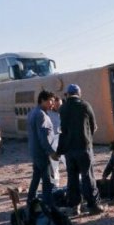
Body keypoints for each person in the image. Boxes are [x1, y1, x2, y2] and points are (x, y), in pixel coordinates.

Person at [57, 84, 104, 216]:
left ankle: (74, 206)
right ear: (79, 93)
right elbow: (93, 126)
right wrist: (88, 138)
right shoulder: (85, 105)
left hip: (68, 150)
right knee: (88, 176)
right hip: (83, 147)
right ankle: (93, 205)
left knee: (72, 178)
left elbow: (62, 129)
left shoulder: (63, 108)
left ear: (68, 94)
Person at [27, 90, 59, 206]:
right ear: (42, 100)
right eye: (50, 101)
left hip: (35, 151)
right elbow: (43, 137)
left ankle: (31, 200)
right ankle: (48, 205)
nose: (52, 104)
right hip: (42, 152)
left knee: (36, 177)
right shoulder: (41, 114)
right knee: (47, 180)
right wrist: (51, 152)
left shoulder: (33, 112)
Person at [47, 96, 66, 187]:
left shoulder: (63, 113)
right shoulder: (47, 114)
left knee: (68, 163)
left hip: (62, 140)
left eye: (60, 105)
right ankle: (55, 185)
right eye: (57, 105)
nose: (59, 107)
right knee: (54, 166)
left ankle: (76, 183)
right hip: (52, 141)